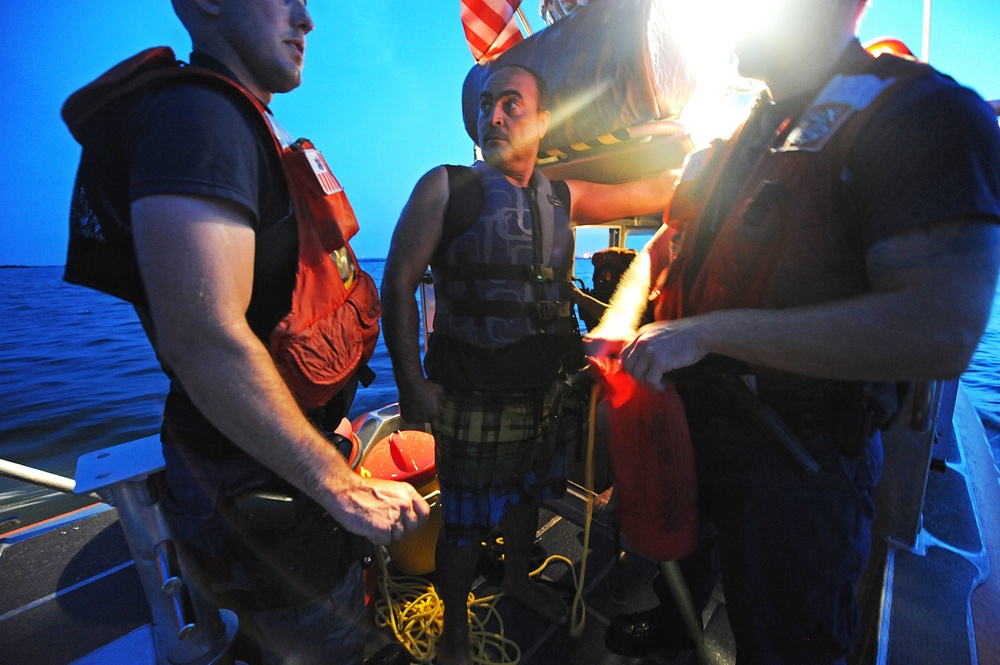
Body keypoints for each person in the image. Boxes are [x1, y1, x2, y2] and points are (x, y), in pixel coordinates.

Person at [586, 0, 1000, 662]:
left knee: (786, 638)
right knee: (683, 571)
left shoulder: (920, 117)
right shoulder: (737, 145)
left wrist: (706, 332)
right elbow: (665, 245)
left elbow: (939, 326)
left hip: (796, 464)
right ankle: (676, 627)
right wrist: (617, 319)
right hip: (694, 427)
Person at [61, 2, 429, 664]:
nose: (306, 18)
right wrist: (342, 487)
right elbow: (204, 339)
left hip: (291, 465)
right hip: (264, 498)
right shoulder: (198, 120)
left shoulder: (245, 123)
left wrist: (329, 430)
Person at [381, 64, 677, 665]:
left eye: (511, 105)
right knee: (463, 525)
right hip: (470, 393)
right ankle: (456, 635)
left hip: (543, 388)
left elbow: (657, 193)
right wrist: (412, 384)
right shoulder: (446, 187)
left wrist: (707, 167)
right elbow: (396, 284)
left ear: (542, 122)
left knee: (526, 500)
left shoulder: (563, 196)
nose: (494, 116)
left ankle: (517, 580)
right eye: (488, 104)